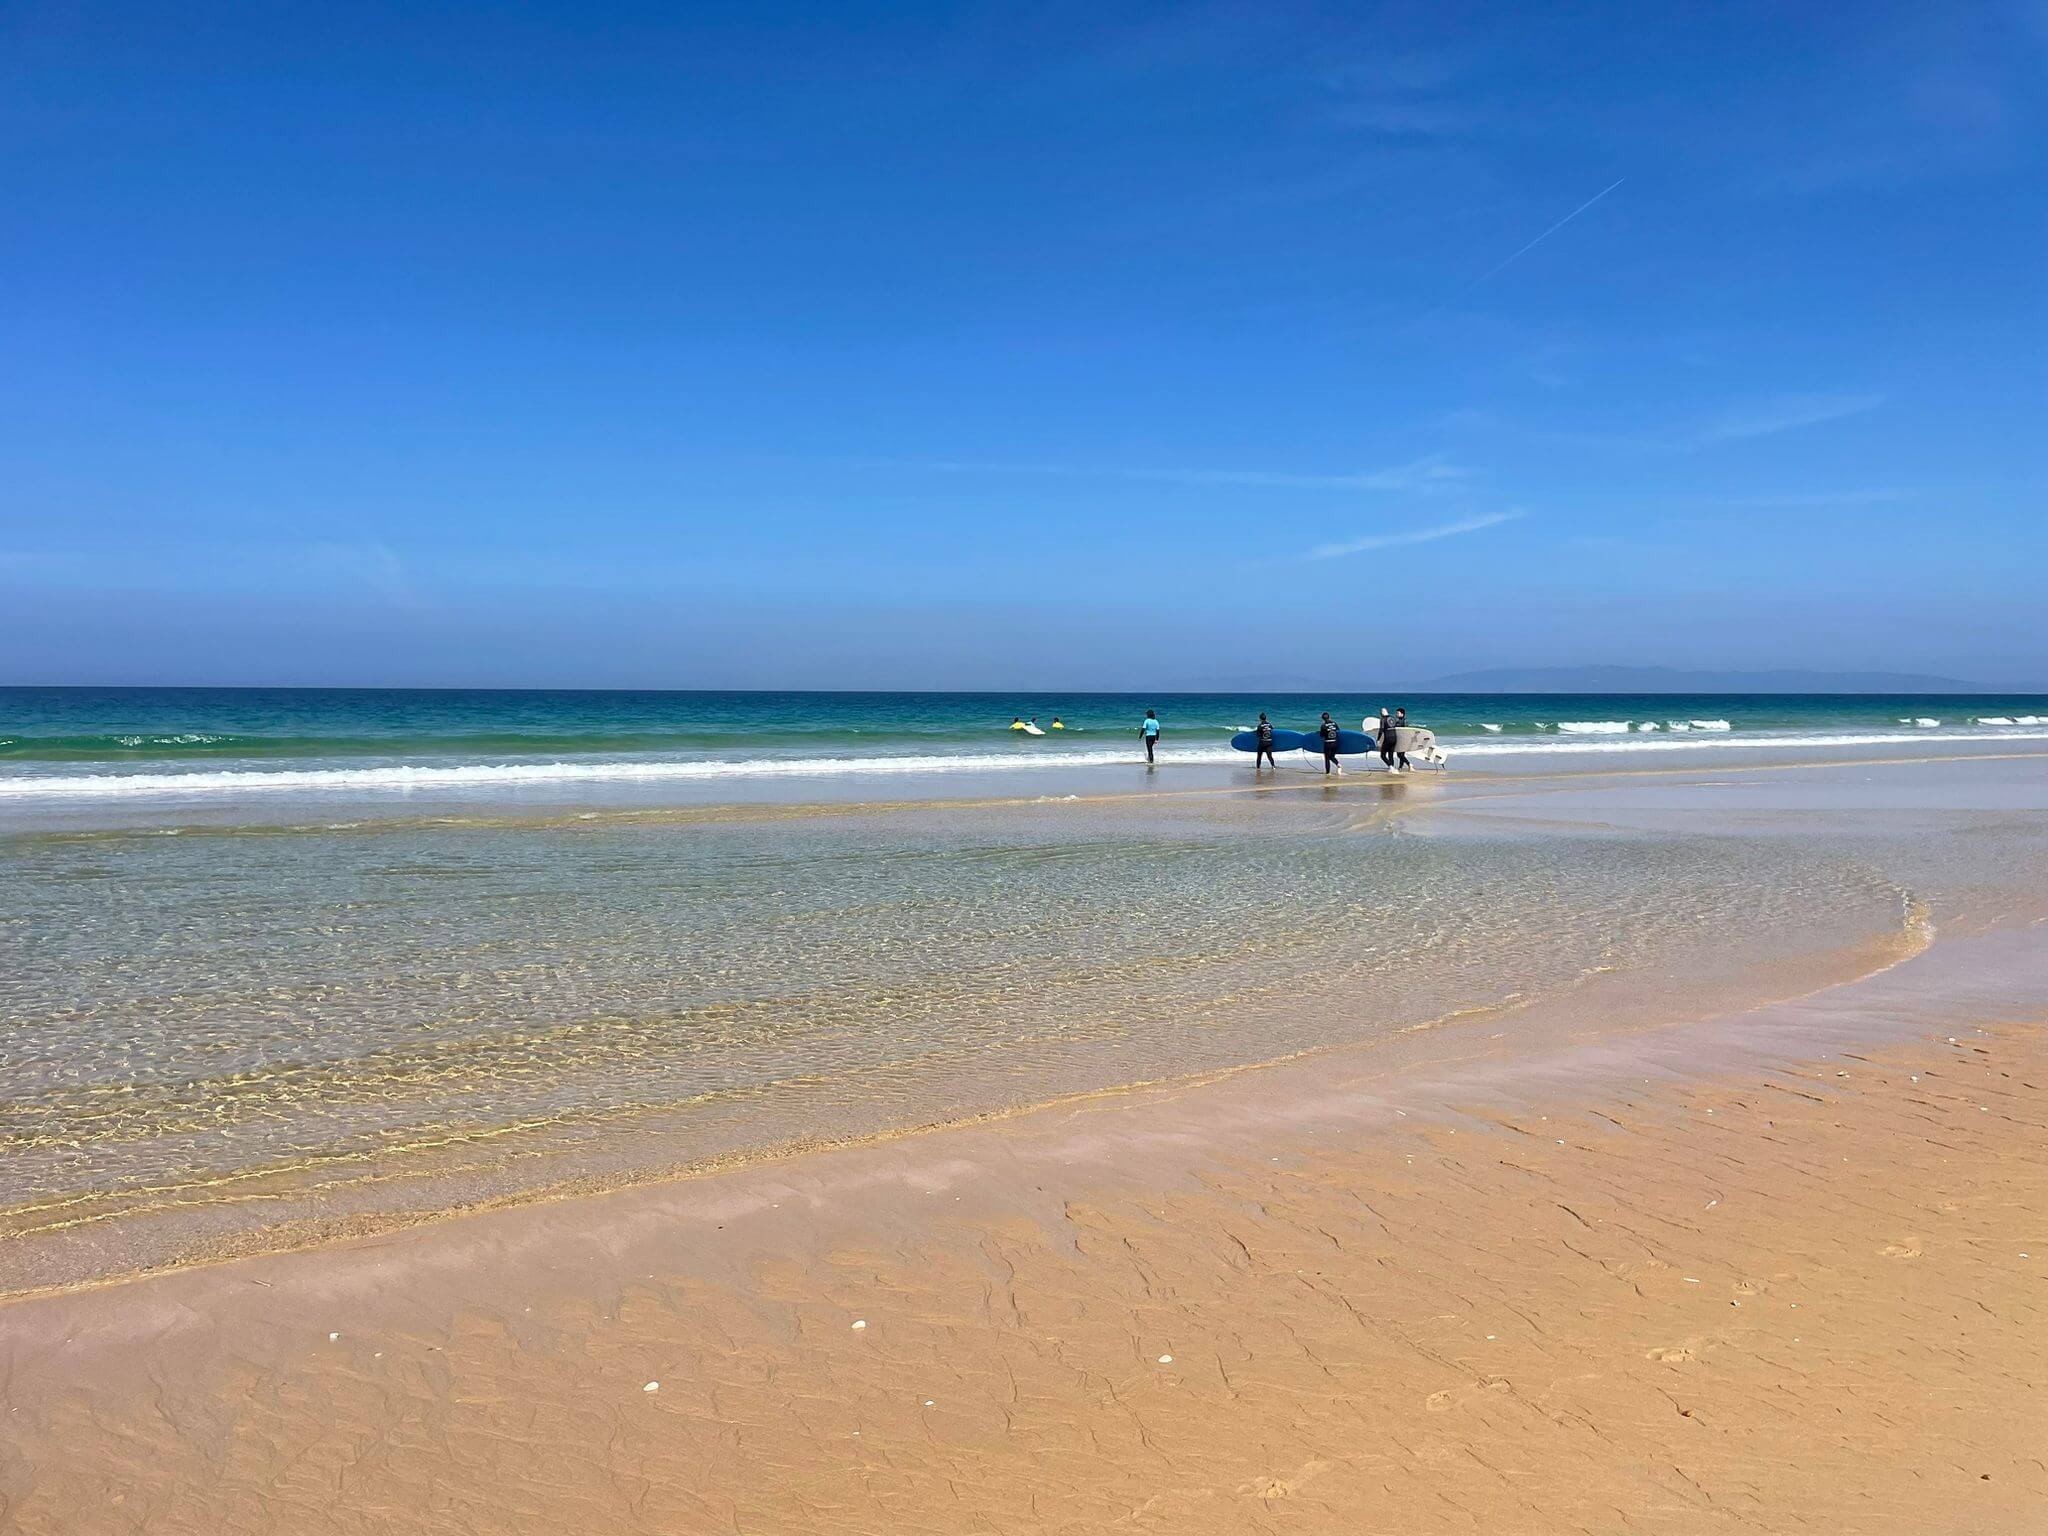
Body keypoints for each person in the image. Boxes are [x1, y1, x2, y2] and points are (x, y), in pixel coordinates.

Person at [1393, 706, 1412, 771]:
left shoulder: (1404, 721)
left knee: (1401, 754)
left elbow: (1406, 731)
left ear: (1402, 714)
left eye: (1398, 713)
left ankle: (1405, 765)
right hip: (1398, 740)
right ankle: (1403, 766)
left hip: (1403, 740)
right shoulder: (1397, 721)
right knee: (1399, 754)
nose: (1396, 714)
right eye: (1396, 713)